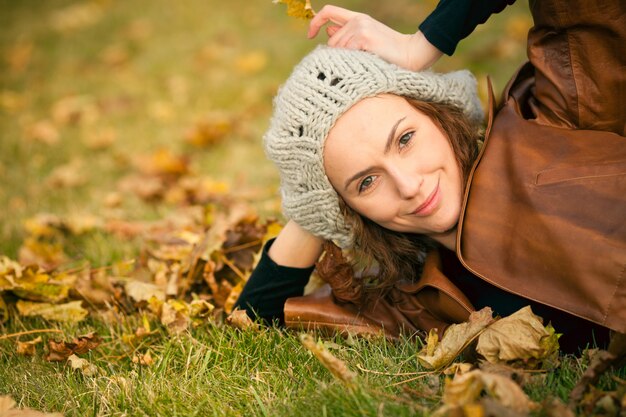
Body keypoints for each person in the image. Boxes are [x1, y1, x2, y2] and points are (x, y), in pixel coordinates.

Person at [235, 0, 626, 353]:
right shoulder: (416, 297)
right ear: (347, 208)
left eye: (405, 139)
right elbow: (252, 323)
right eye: (366, 182)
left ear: (437, 114)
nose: (408, 185)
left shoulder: (558, 123)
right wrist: (315, 204)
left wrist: (422, 43)